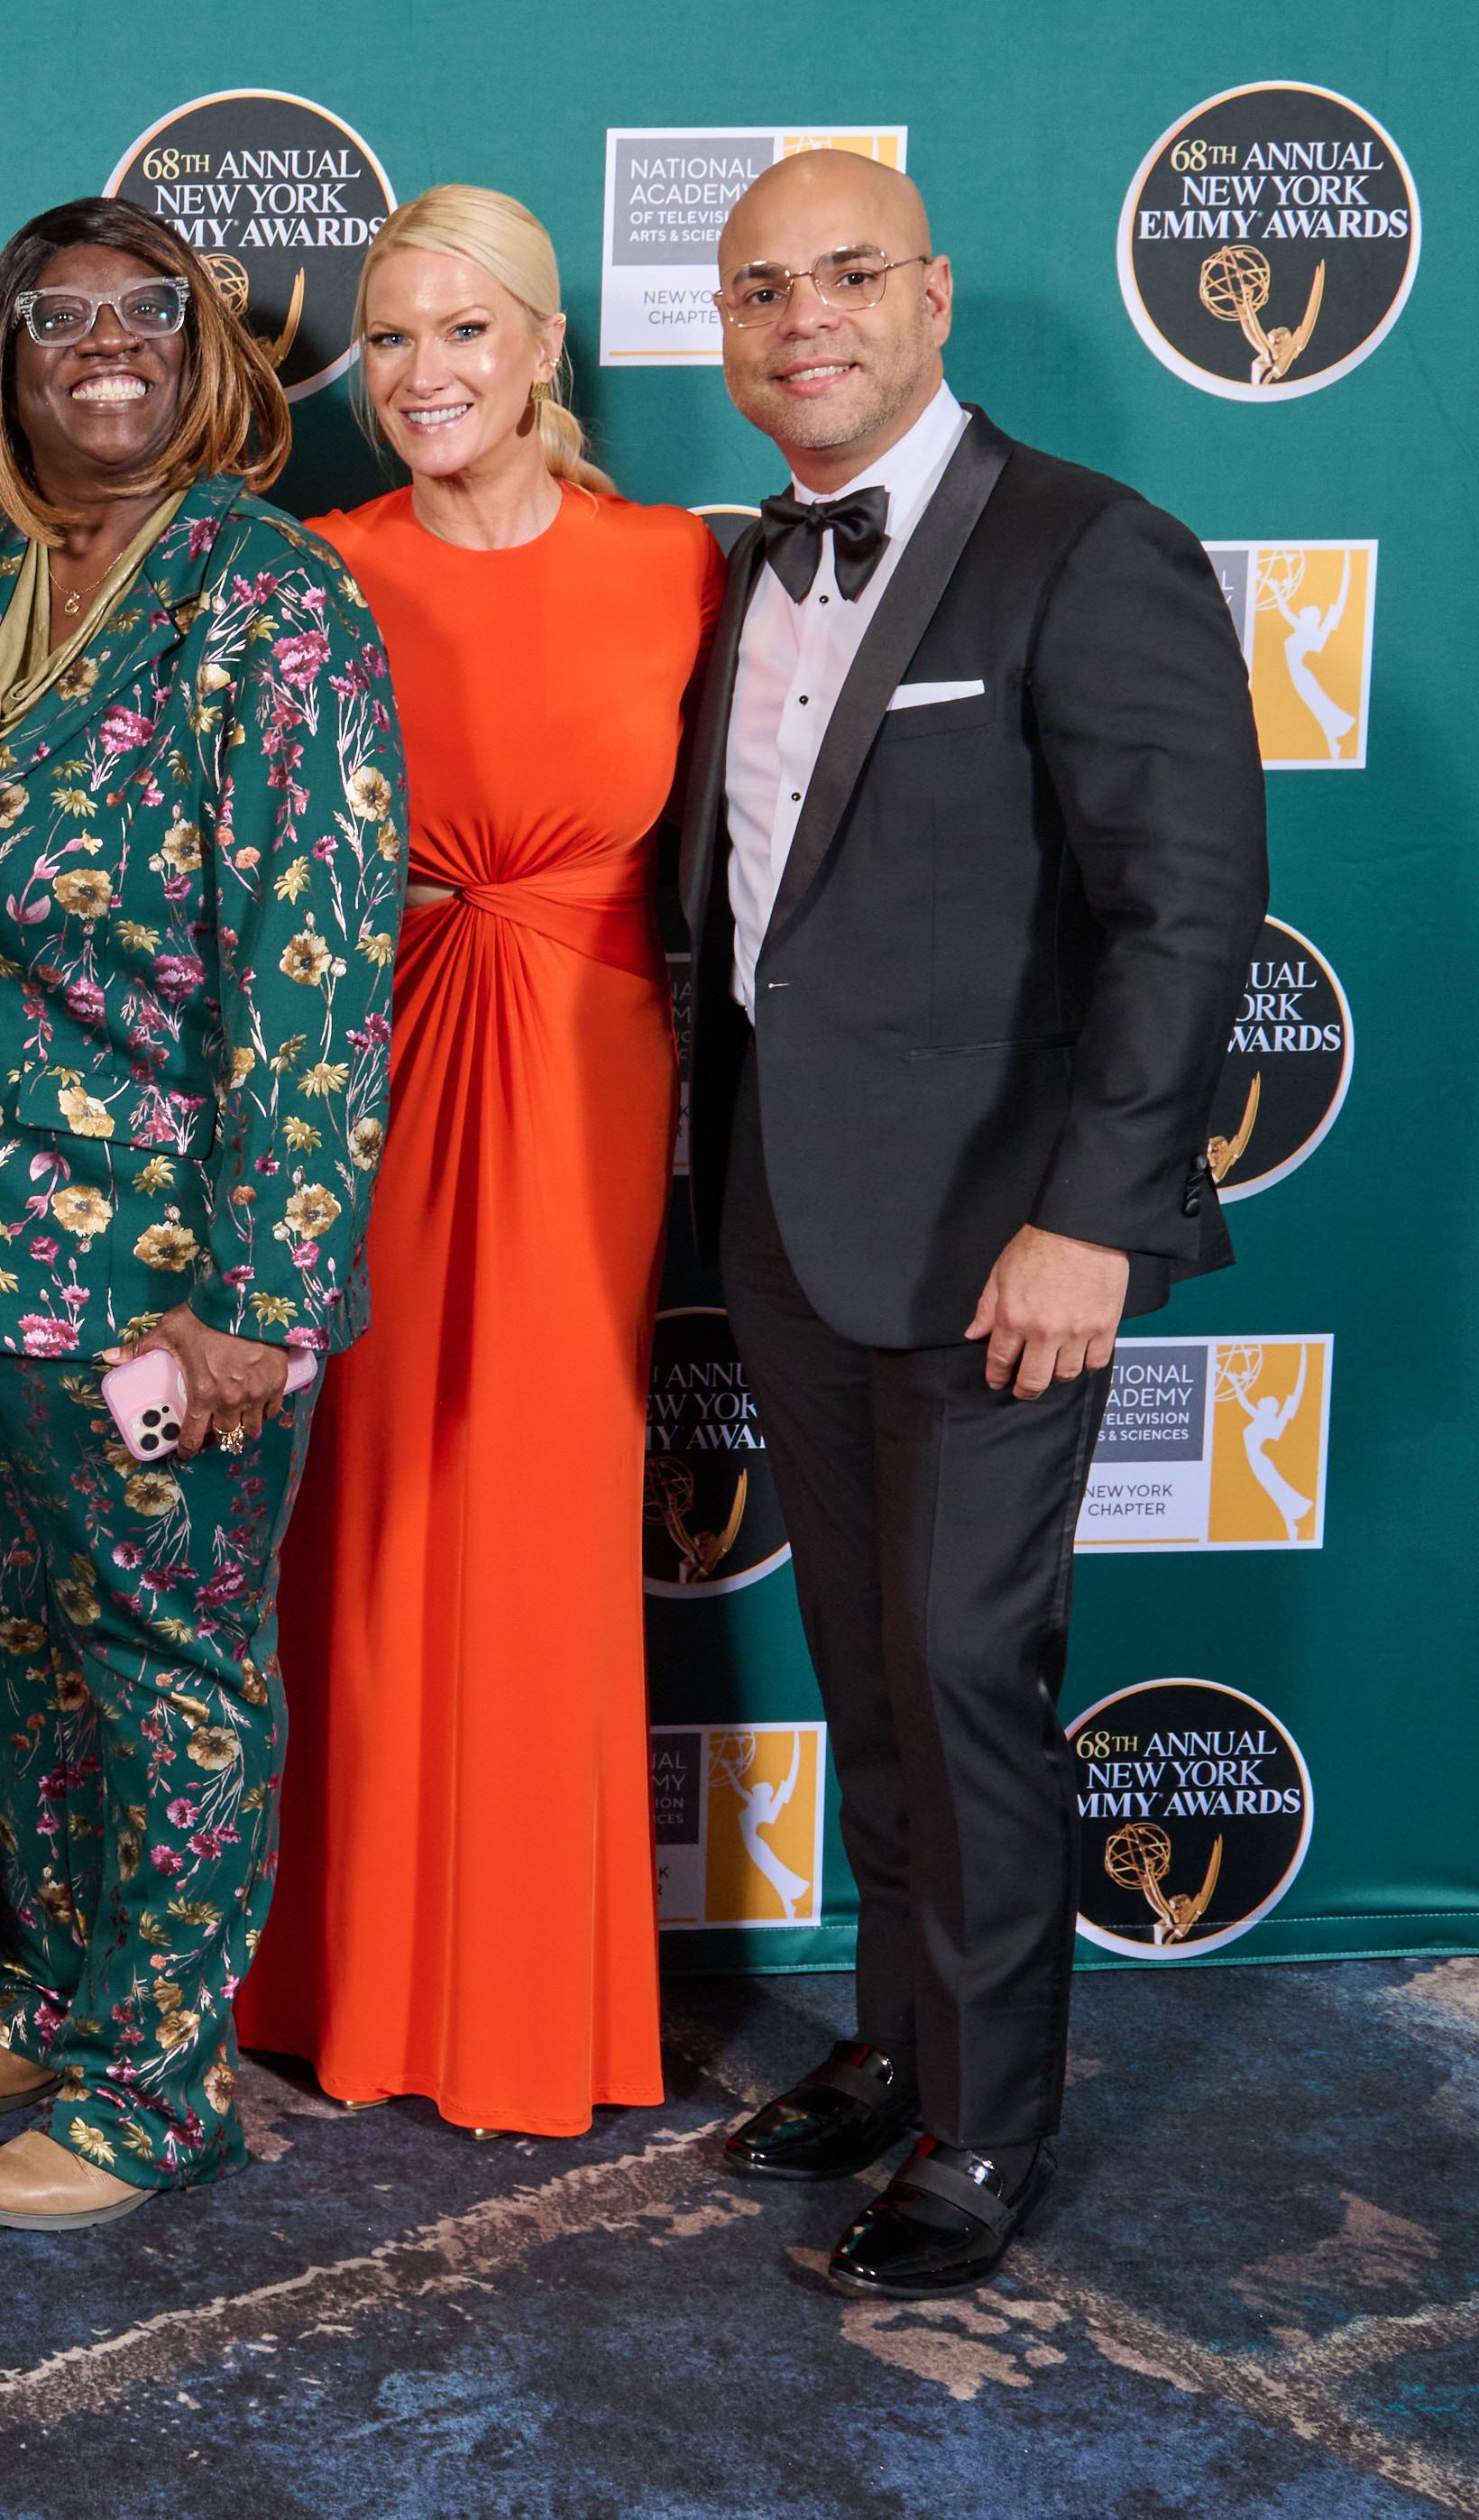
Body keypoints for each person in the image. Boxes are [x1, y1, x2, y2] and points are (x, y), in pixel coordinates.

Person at [681, 150, 1263, 2297]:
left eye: (846, 275)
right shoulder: (748, 563)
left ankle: (993, 2120)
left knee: (963, 1671)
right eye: (761, 288)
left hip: (1004, 1241)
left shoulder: (1089, 547)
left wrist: (1094, 1218)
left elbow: (1187, 912)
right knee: (870, 1663)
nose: (803, 320)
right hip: (791, 1215)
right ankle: (899, 2042)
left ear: (932, 296)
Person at [0, 197, 402, 2234]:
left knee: (170, 1667)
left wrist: (260, 1296)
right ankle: (59, 1995)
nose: (105, 344)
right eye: (56, 315)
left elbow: (321, 972)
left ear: (201, 346)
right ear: (4, 359)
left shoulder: (274, 604)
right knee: (21, 1660)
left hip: (154, 1278)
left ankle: (162, 2084)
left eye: (145, 309)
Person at [231, 188, 723, 2140]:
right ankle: (334, 1978)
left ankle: (526, 1998)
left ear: (542, 346)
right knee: (358, 1511)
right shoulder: (313, 570)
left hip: (586, 1083)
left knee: (540, 1523)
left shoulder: (678, 566)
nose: (424, 372)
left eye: (463, 330)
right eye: (391, 338)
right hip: (362, 1085)